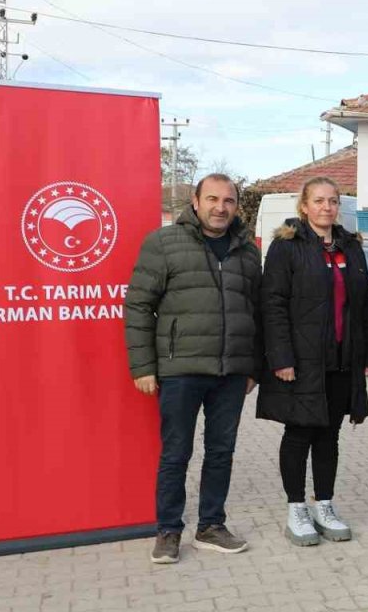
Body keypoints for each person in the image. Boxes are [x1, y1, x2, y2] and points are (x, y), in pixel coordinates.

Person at [124, 173, 261, 564]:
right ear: (196, 202)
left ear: (236, 206)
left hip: (231, 372)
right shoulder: (163, 243)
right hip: (180, 369)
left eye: (228, 201)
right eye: (212, 199)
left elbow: (256, 311)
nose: (220, 208)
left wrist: (253, 366)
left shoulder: (247, 251)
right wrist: (143, 366)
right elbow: (138, 305)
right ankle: (168, 531)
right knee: (176, 453)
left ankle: (211, 526)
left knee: (221, 452)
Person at [257, 177, 368, 547]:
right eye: (319, 201)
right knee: (299, 434)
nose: (327, 207)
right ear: (304, 206)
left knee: (329, 435)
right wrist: (281, 357)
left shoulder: (350, 247)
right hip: (301, 360)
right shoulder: (287, 246)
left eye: (333, 201)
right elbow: (272, 305)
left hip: (342, 359)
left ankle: (324, 504)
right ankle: (296, 508)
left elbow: (364, 304)